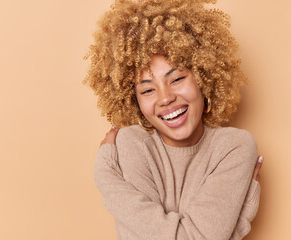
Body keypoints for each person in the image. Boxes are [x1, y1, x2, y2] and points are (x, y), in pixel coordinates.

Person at [84, 0, 264, 239]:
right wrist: (238, 224)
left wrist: (107, 178)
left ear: (203, 77)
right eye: (148, 90)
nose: (166, 98)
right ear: (135, 101)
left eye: (177, 79)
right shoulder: (134, 142)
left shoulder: (233, 147)